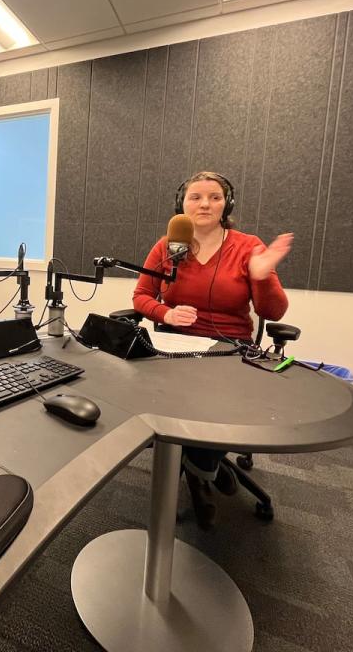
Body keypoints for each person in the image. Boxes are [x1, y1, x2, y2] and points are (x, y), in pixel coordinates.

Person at [132, 170, 294, 527]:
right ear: (182, 204)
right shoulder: (168, 246)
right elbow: (141, 296)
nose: (205, 203)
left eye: (214, 197)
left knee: (211, 404)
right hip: (175, 347)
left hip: (230, 348)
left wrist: (262, 275)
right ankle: (203, 469)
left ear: (227, 204)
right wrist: (167, 313)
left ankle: (200, 470)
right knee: (165, 400)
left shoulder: (247, 246)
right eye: (196, 197)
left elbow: (273, 312)